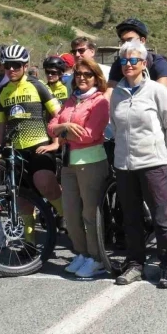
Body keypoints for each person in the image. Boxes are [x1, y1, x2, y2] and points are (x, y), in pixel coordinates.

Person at [110, 39, 167, 289]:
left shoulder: (156, 90)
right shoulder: (116, 92)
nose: (128, 65)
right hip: (124, 165)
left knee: (161, 218)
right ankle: (135, 264)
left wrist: (161, 150)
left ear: (143, 63)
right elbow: (115, 126)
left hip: (153, 163)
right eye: (123, 60)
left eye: (133, 60)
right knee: (131, 218)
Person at [0, 44, 64, 239]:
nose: (11, 70)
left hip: (39, 144)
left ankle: (68, 219)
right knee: (23, 198)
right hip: (16, 149)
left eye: (16, 65)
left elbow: (57, 114)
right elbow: (1, 125)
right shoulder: (2, 92)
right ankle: (30, 243)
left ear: (25, 66)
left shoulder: (37, 85)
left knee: (44, 183)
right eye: (8, 66)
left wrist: (55, 143)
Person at [48, 59, 110, 278]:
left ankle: (97, 258)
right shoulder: (71, 100)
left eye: (87, 74)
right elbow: (52, 126)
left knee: (89, 213)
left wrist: (61, 132)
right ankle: (82, 253)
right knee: (71, 213)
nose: (82, 78)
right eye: (78, 74)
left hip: (91, 162)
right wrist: (64, 127)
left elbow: (89, 135)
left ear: (96, 77)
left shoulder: (100, 101)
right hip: (68, 162)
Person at [107, 19, 167, 92]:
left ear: (142, 41)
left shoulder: (157, 62)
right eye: (123, 41)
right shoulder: (119, 63)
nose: (126, 45)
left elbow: (161, 91)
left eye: (129, 40)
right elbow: (110, 92)